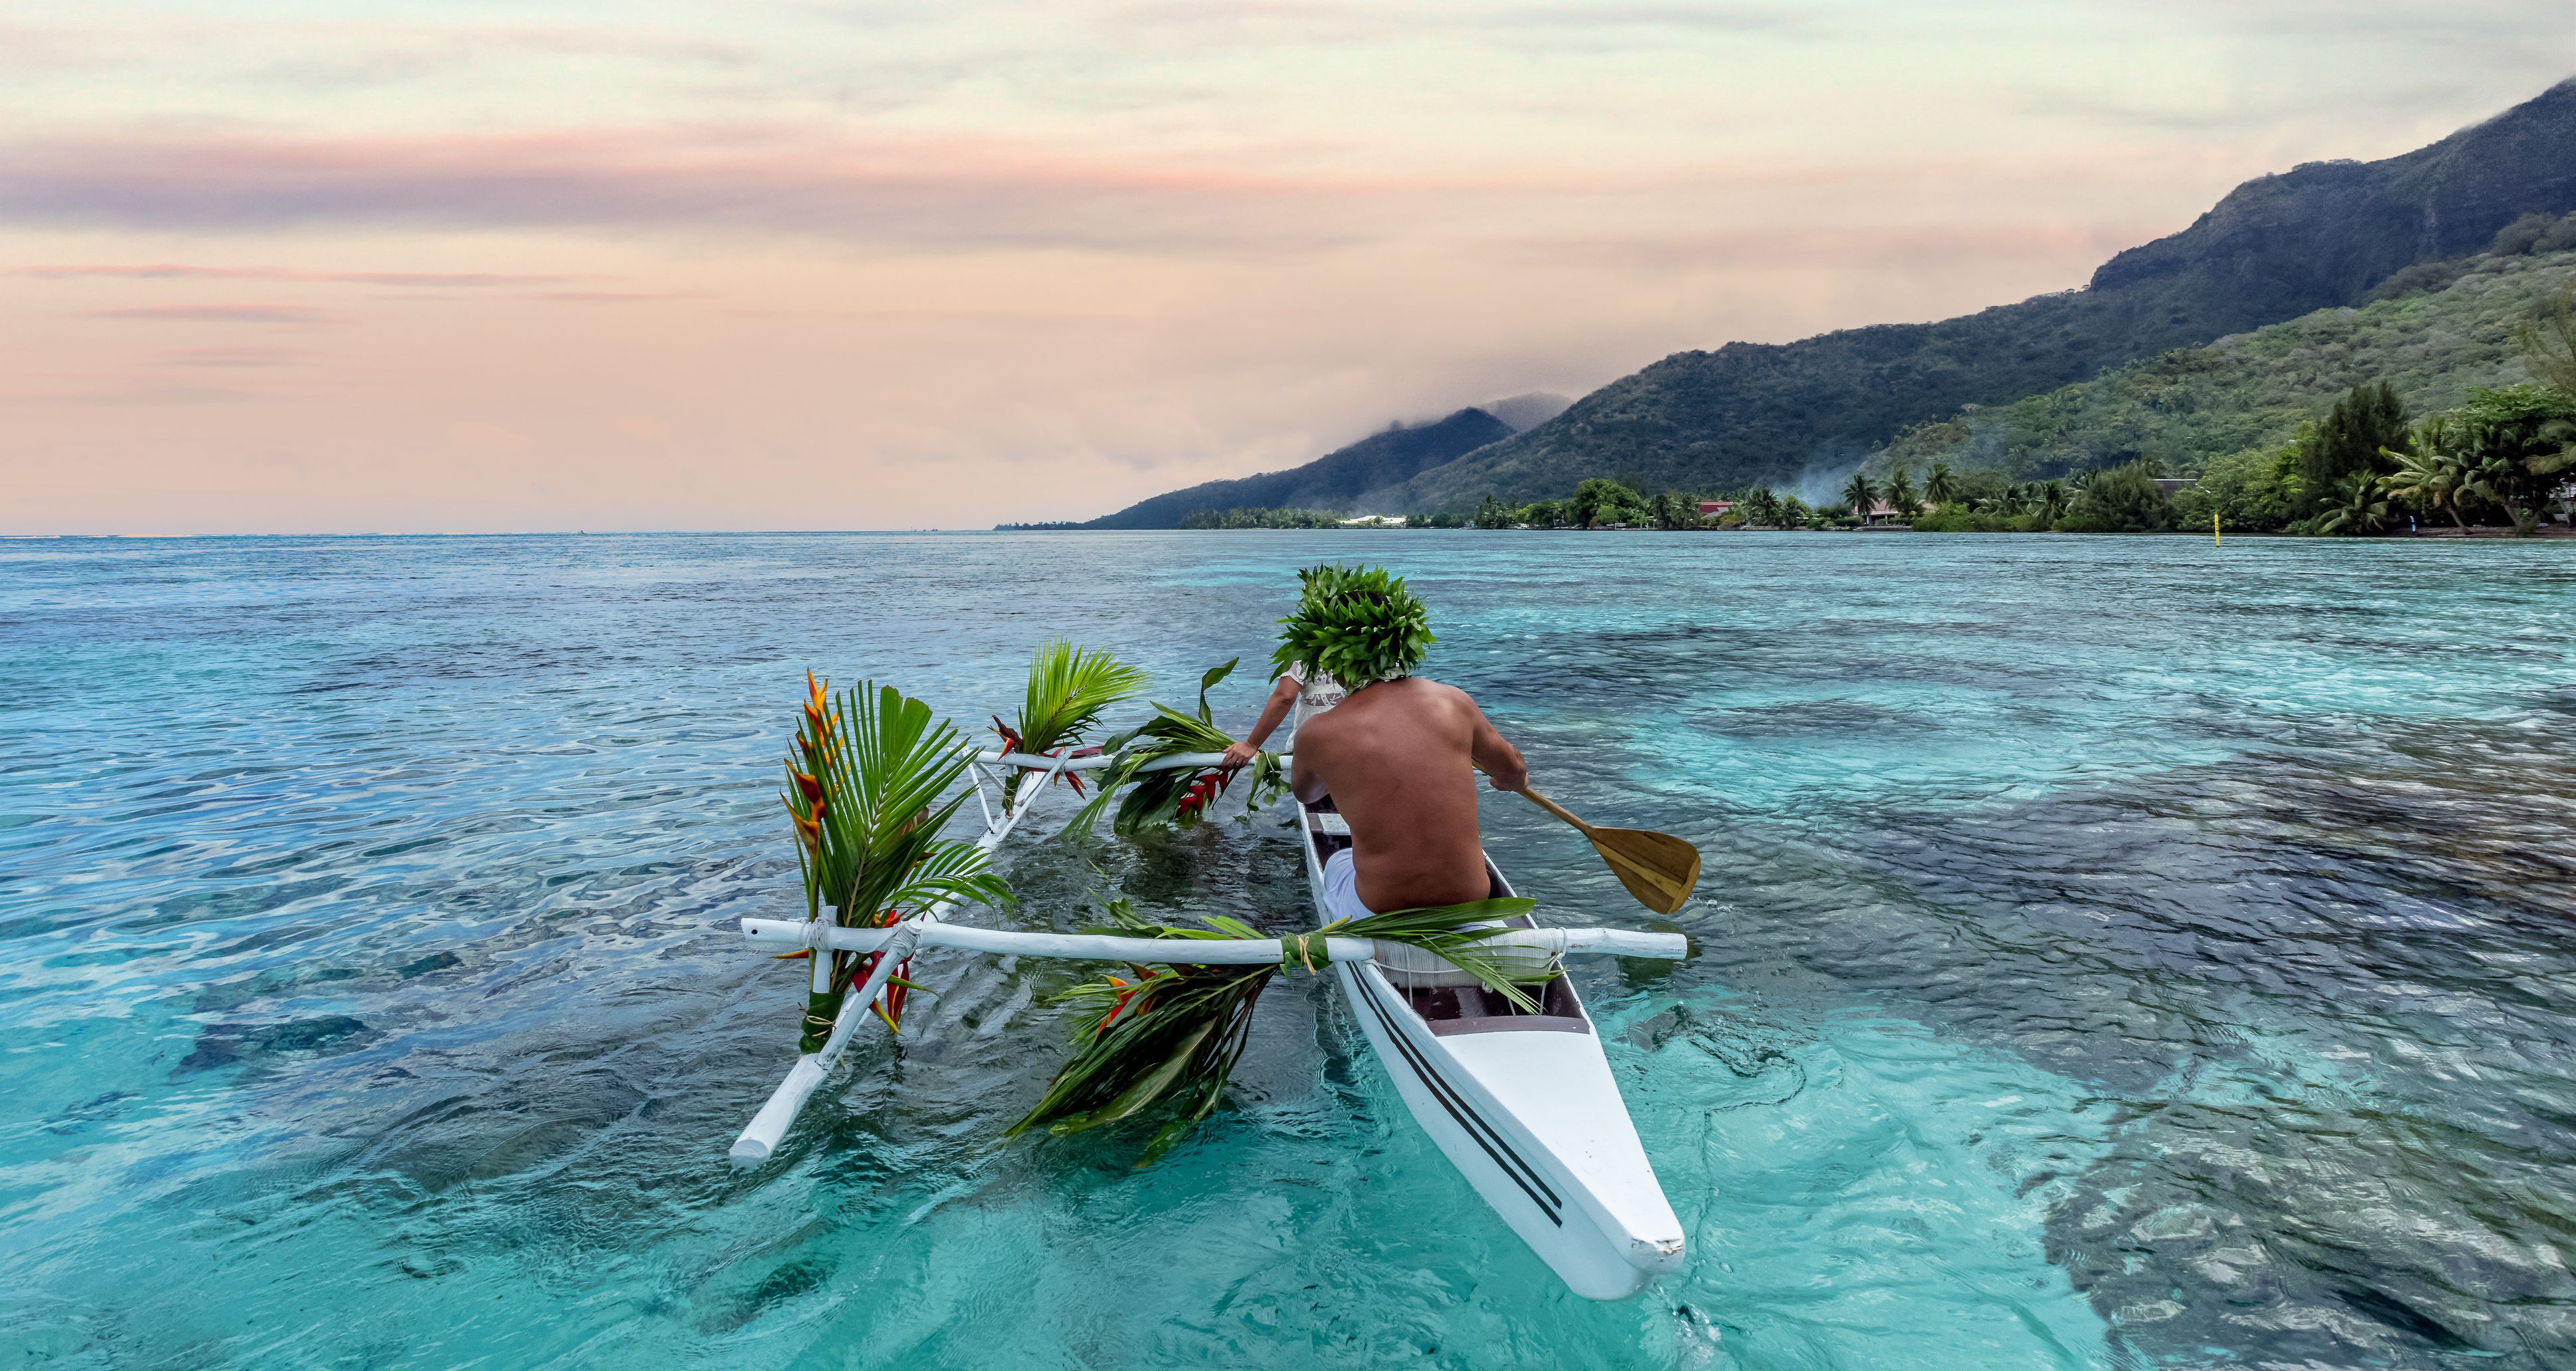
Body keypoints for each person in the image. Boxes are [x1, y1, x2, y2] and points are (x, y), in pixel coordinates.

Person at [1238, 565, 1529, 918]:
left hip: (1381, 904)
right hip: (1470, 897)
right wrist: (1511, 780)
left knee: (1340, 861)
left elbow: (1307, 794)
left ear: (1331, 655)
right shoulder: (1454, 702)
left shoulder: (1318, 734)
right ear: (1401, 643)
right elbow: (1513, 769)